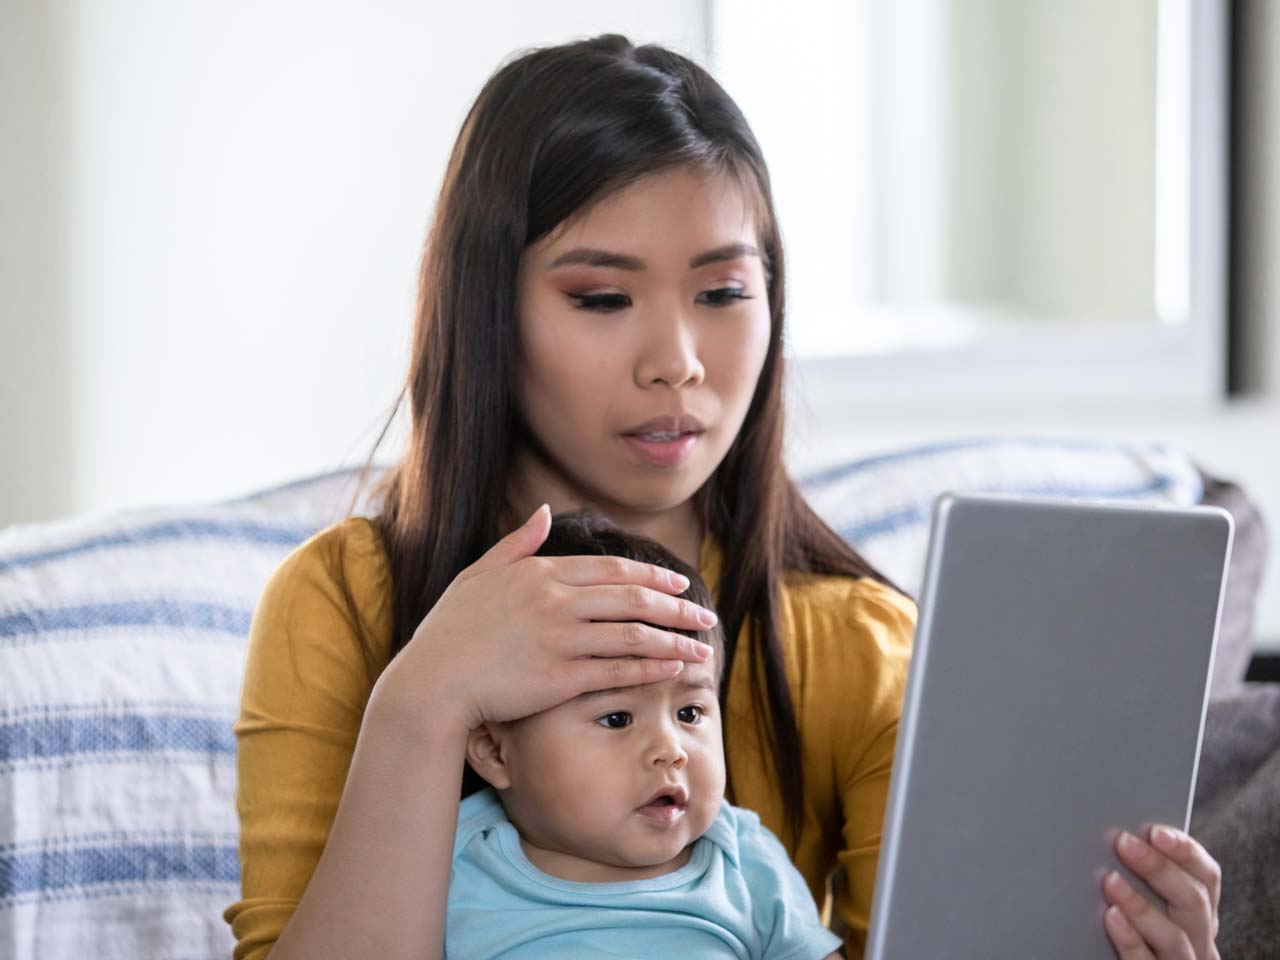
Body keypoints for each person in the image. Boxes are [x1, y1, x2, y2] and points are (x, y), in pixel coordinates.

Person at [223, 33, 1224, 960]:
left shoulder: (856, 645)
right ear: (486, 309)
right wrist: (424, 700)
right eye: (602, 298)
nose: (677, 363)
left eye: (722, 293)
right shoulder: (345, 601)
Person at [450, 508, 841, 958]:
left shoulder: (743, 859)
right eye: (617, 718)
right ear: (494, 750)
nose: (670, 751)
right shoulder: (454, 860)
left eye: (690, 713)